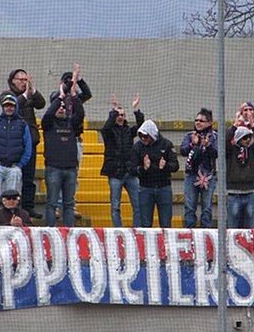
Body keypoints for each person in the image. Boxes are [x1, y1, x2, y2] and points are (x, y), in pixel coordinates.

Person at [42, 64, 85, 227]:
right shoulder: (48, 124)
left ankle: (69, 232)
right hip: (53, 168)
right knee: (52, 203)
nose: (61, 109)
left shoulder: (71, 123)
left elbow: (80, 114)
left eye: (63, 107)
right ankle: (51, 231)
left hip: (70, 169)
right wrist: (60, 98)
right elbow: (48, 113)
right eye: (58, 107)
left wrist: (73, 95)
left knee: (68, 204)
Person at [0, 95, 32, 227]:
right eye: (6, 106)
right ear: (3, 107)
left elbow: (28, 147)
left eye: (12, 106)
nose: (9, 108)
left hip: (13, 168)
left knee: (13, 202)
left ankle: (12, 230)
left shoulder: (22, 124)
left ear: (16, 107)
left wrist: (20, 166)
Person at [49, 66, 92, 220]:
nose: (70, 84)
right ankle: (58, 206)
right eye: (67, 81)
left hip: (75, 139)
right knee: (58, 173)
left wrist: (78, 80)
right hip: (59, 139)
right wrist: (67, 86)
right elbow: (54, 103)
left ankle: (70, 205)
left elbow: (88, 93)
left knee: (74, 174)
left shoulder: (76, 99)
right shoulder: (56, 97)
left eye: (71, 81)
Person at [5, 69, 46, 219]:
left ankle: (28, 207)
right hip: (14, 144)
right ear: (13, 81)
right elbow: (15, 105)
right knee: (14, 177)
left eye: (25, 79)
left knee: (29, 178)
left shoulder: (30, 95)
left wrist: (32, 89)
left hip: (30, 143)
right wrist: (25, 95)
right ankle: (13, 208)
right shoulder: (7, 95)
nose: (23, 82)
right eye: (20, 79)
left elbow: (41, 103)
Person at [100, 93, 144, 227]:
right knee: (115, 206)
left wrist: (136, 110)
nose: (120, 117)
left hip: (130, 173)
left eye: (122, 115)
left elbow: (141, 125)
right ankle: (118, 230)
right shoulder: (108, 132)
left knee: (138, 205)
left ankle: (137, 230)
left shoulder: (129, 131)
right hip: (115, 173)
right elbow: (106, 128)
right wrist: (114, 109)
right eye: (118, 115)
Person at [130, 119, 179, 228]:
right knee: (146, 225)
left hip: (164, 187)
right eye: (141, 136)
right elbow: (132, 169)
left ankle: (166, 245)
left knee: (166, 224)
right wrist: (143, 168)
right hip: (145, 188)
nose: (143, 139)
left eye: (146, 136)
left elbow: (175, 165)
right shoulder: (137, 147)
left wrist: (165, 166)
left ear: (152, 134)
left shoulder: (166, 144)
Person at [180, 108, 218, 228]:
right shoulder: (190, 135)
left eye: (201, 120)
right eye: (196, 120)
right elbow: (183, 151)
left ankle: (206, 233)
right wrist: (193, 144)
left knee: (207, 208)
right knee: (189, 207)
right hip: (191, 175)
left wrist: (208, 146)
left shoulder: (214, 137)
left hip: (208, 176)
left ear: (209, 123)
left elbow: (217, 153)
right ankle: (189, 232)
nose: (198, 122)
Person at [225, 121, 254, 229]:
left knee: (252, 227)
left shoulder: (252, 151)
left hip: (250, 192)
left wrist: (253, 127)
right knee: (232, 227)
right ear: (238, 139)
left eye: (249, 137)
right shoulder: (230, 150)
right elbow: (223, 141)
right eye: (244, 138)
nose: (248, 140)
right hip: (234, 193)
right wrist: (234, 126)